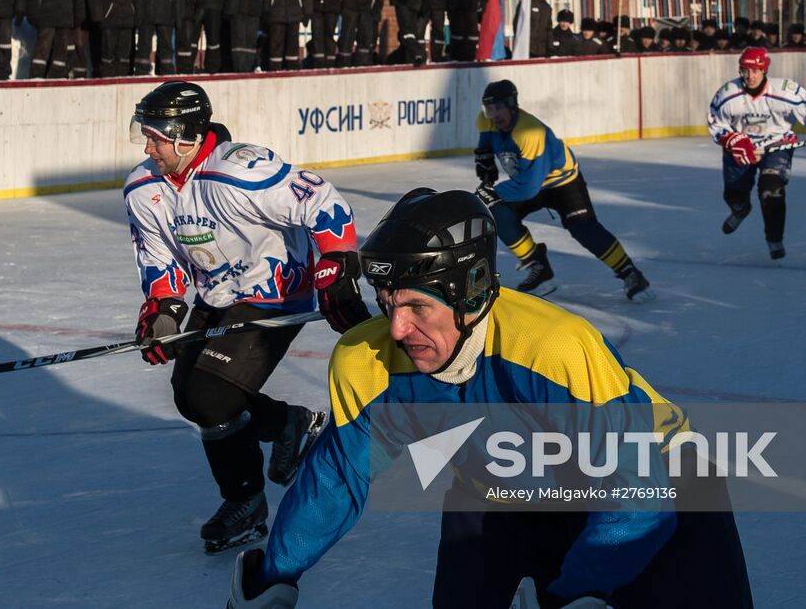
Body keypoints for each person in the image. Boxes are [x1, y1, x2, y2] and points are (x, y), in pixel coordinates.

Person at [226, 188, 754, 609]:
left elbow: (638, 493)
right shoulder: (367, 360)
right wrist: (273, 577)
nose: (398, 326)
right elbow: (339, 479)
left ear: (472, 291)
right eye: (386, 301)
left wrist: (574, 592)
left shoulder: (552, 348)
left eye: (415, 305)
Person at [124, 81, 359, 554]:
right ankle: (290, 424)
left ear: (187, 135)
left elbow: (322, 201)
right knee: (188, 398)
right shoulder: (143, 188)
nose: (147, 146)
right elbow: (160, 258)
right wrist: (163, 309)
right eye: (143, 134)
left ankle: (245, 504)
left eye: (156, 136)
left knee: (213, 396)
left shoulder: (241, 170)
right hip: (218, 293)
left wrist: (335, 265)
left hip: (275, 293)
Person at [474, 80, 653, 301]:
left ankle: (630, 273)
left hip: (563, 183)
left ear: (512, 105)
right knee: (495, 213)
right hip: (530, 181)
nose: (494, 114)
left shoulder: (530, 131)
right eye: (489, 109)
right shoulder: (487, 120)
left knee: (584, 229)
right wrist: (484, 159)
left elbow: (529, 186)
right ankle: (538, 267)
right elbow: (485, 143)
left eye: (499, 107)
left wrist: (495, 192)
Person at [709, 47, 806, 260]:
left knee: (771, 189)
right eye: (746, 70)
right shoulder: (728, 94)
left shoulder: (785, 91)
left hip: (777, 145)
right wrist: (731, 139)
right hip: (742, 148)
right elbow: (715, 122)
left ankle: (774, 237)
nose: (750, 76)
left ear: (765, 70)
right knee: (733, 193)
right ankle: (740, 208)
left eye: (756, 70)